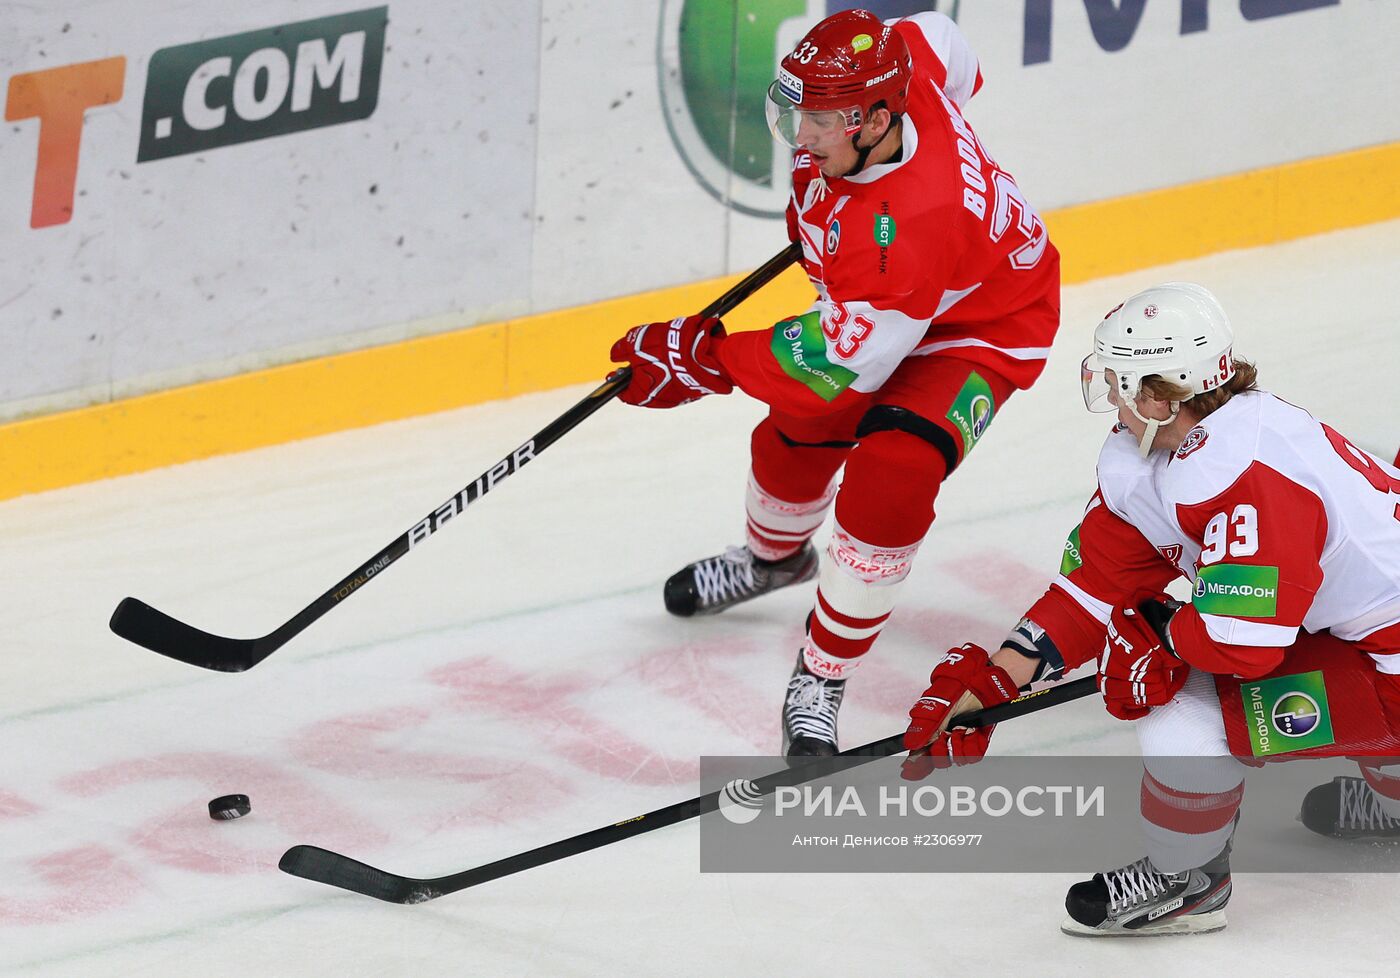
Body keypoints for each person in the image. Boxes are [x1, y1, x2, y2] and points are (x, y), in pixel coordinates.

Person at [608, 9, 1060, 757]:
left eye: (822, 121)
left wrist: (701, 359)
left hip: (982, 324)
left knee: (893, 471)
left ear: (879, 119)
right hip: (891, 303)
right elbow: (948, 46)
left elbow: (841, 361)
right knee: (794, 436)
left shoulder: (909, 228)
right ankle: (774, 559)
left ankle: (823, 674)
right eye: (798, 112)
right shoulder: (900, 64)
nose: (802, 137)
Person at [901, 282, 1400, 935]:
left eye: (1120, 383)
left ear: (1162, 394)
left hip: (1386, 663)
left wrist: (1161, 642)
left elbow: (1242, 645)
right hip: (1365, 634)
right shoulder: (1161, 452)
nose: (1110, 398)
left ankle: (1186, 879)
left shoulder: (1245, 472)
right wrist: (995, 683)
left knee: (1181, 698)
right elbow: (1092, 591)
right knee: (1182, 663)